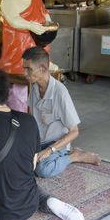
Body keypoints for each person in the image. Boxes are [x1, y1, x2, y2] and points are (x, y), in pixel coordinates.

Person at [0, 66, 84, 220]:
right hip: (29, 204)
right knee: (18, 179)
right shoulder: (28, 120)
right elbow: (30, 166)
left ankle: (46, 200)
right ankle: (46, 200)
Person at [22, 47, 100, 178]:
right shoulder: (34, 87)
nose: (24, 73)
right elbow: (30, 118)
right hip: (38, 141)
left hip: (56, 144)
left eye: (28, 69)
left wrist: (50, 150)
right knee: (15, 160)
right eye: (24, 68)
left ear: (42, 69)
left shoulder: (60, 92)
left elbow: (74, 131)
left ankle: (74, 156)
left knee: (42, 170)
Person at [0, 0, 55, 112]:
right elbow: (14, 20)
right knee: (20, 95)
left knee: (42, 90)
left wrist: (49, 25)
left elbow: (45, 15)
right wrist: (30, 25)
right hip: (18, 49)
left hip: (37, 46)